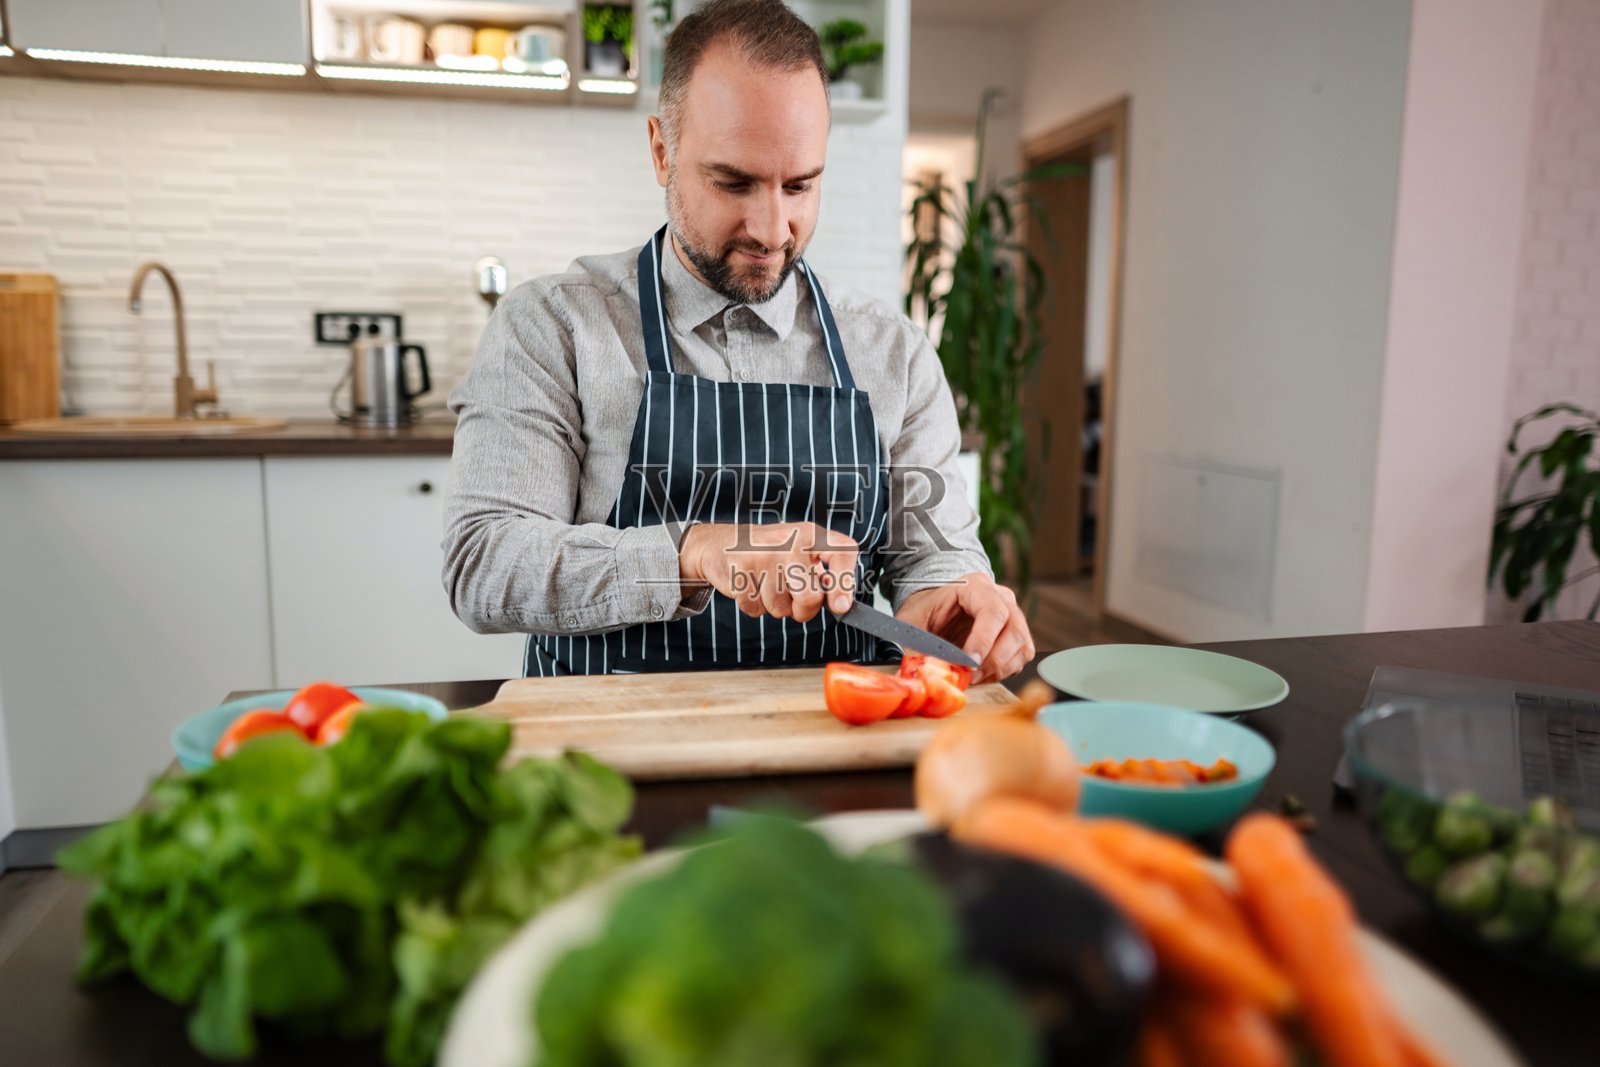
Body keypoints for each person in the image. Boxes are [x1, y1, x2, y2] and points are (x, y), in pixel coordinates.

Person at [442, 0, 1034, 682]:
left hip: (835, 741)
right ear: (662, 152)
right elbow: (483, 564)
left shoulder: (894, 353)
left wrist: (951, 600)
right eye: (734, 182)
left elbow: (936, 558)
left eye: (801, 184)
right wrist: (695, 550)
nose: (772, 227)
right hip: (604, 750)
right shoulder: (555, 326)